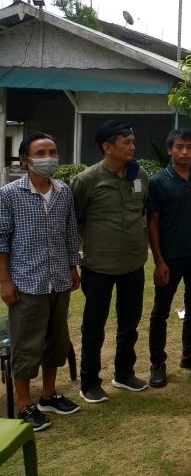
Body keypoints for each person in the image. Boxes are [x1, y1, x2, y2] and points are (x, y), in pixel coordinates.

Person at [0, 132, 81, 431]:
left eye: (53, 151)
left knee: (56, 341)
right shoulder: (9, 194)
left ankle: (49, 395)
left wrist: (73, 267)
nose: (49, 157)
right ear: (25, 159)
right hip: (26, 282)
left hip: (59, 278)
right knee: (26, 344)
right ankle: (24, 404)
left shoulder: (64, 193)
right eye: (41, 152)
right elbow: (1, 240)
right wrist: (4, 281)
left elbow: (70, 232)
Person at [72, 120, 150, 403]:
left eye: (132, 141)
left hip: (134, 263)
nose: (132, 146)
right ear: (107, 147)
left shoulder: (138, 174)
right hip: (99, 266)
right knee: (94, 326)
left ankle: (124, 373)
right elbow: (78, 222)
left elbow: (142, 209)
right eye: (126, 142)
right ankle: (90, 381)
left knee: (129, 323)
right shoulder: (86, 180)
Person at [146, 128, 191, 388]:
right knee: (160, 311)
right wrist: (159, 260)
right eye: (179, 147)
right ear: (169, 150)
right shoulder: (158, 182)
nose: (185, 152)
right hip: (170, 256)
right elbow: (152, 222)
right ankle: (157, 362)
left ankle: (190, 353)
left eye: (189, 147)